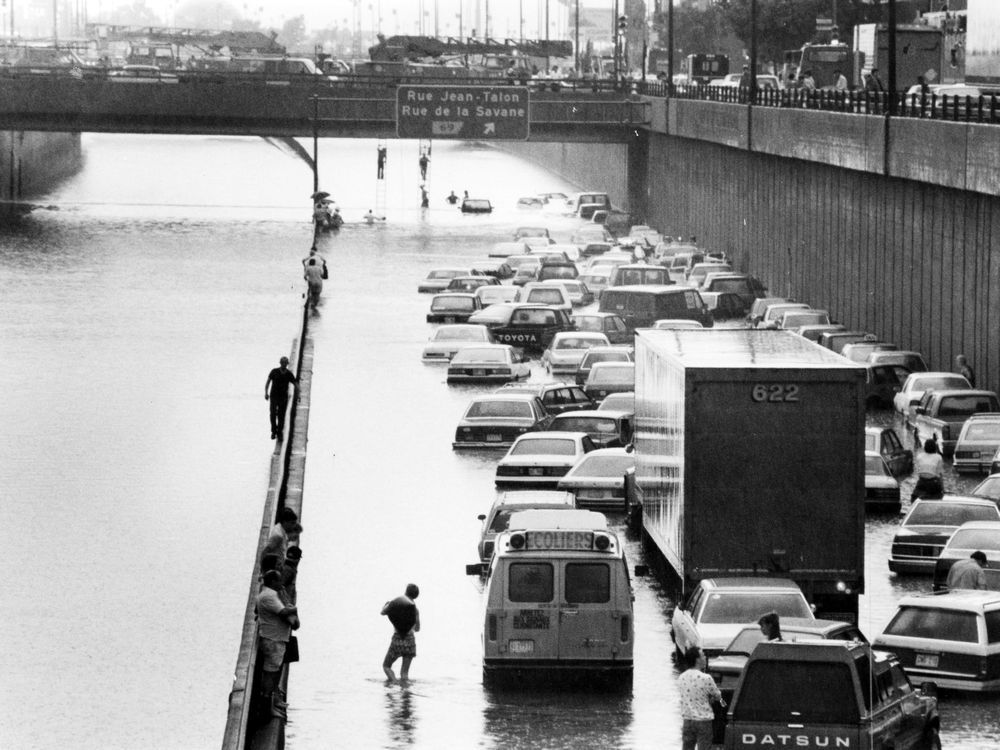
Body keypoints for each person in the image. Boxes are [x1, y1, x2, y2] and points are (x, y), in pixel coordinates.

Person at [256, 569, 300, 719]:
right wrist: (293, 608)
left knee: (274, 673)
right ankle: (267, 709)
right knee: (270, 675)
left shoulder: (270, 594)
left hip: (276, 638)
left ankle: (272, 703)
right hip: (273, 640)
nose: (281, 582)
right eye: (278, 580)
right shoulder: (269, 596)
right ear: (272, 581)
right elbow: (283, 613)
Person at [677, 646, 724, 750]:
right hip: (703, 721)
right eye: (703, 655)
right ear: (697, 659)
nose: (705, 657)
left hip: (687, 720)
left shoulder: (681, 677)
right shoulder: (706, 678)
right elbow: (718, 696)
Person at [381, 583, 420, 682]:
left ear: (406, 591)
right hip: (410, 641)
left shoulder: (396, 603)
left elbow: (383, 612)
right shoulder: (415, 610)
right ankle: (405, 692)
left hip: (398, 639)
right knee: (404, 674)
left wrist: (386, 605)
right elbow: (417, 629)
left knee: (386, 666)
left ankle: (394, 683)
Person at [264, 357, 297, 440]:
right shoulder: (274, 371)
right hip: (274, 396)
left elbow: (295, 384)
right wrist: (266, 393)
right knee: (272, 414)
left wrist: (299, 394)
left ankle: (279, 433)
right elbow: (268, 382)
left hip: (283, 398)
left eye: (285, 363)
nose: (284, 364)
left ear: (287, 364)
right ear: (280, 363)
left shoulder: (289, 374)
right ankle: (273, 431)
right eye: (282, 363)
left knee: (281, 415)